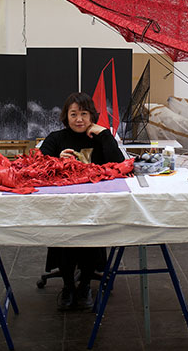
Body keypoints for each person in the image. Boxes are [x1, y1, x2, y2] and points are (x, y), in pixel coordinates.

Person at [39, 92, 125, 310]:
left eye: (84, 114)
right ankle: (68, 286)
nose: (79, 119)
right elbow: (37, 163)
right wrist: (56, 160)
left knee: (90, 238)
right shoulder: (56, 138)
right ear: (66, 116)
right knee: (65, 239)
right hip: (63, 204)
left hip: (94, 204)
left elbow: (119, 163)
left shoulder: (99, 137)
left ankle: (85, 284)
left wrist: (105, 133)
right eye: (74, 114)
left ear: (92, 116)